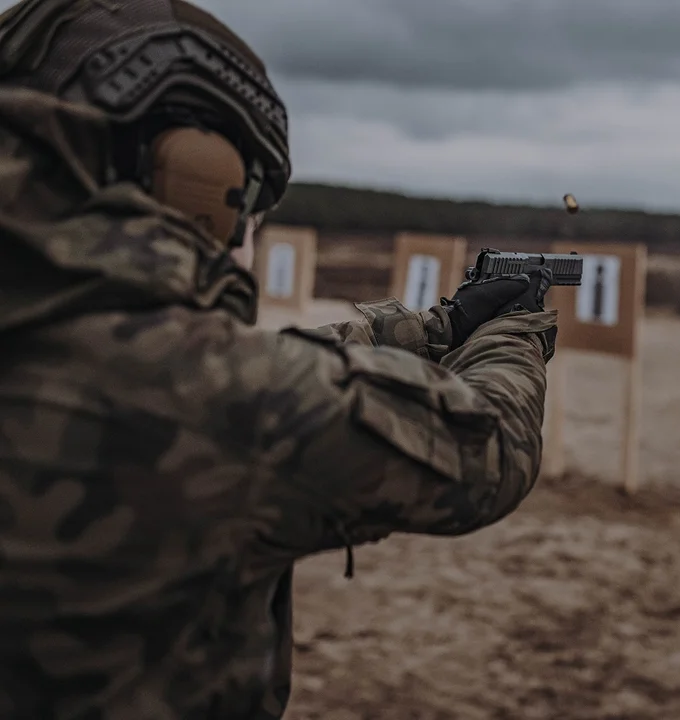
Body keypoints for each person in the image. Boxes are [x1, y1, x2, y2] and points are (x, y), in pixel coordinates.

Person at [0, 1, 558, 718]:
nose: (247, 236)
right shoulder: (217, 405)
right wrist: (513, 330)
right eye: (244, 201)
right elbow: (489, 449)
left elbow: (202, 369)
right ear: (191, 181)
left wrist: (436, 327)